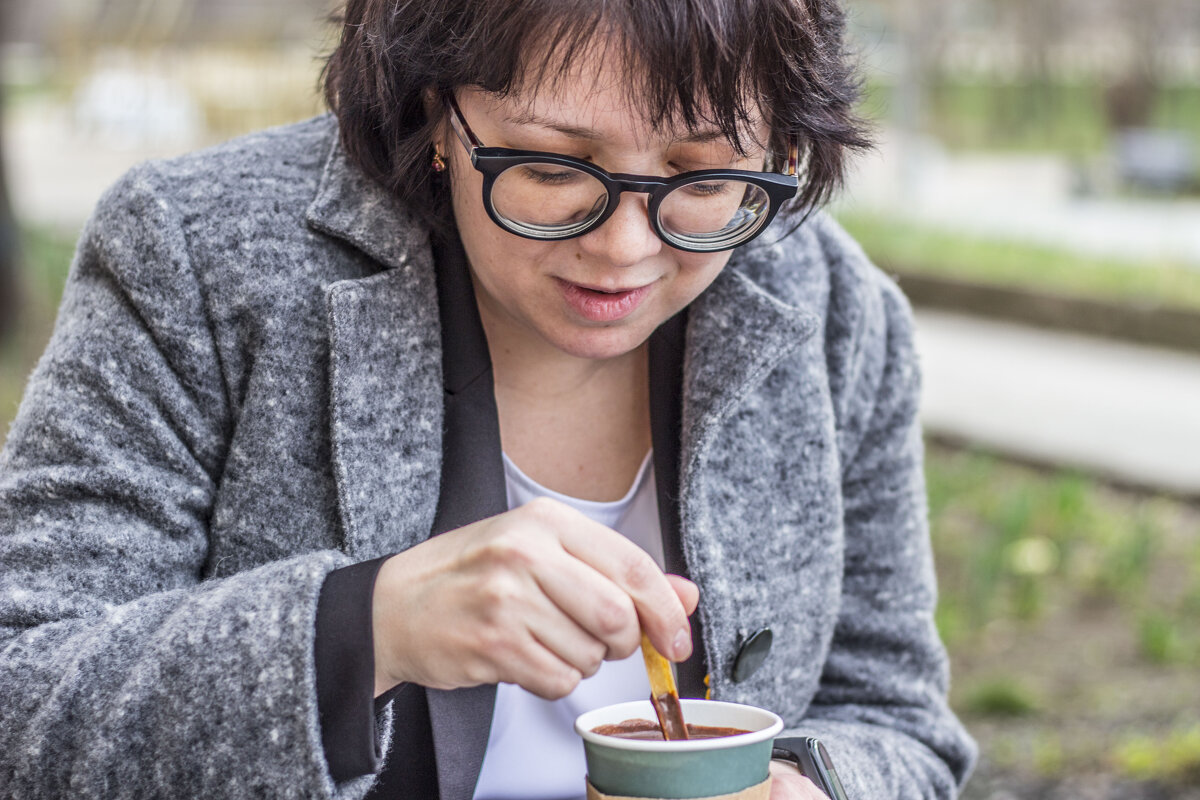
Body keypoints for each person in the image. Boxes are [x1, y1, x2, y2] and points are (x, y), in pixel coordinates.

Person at [0, 0, 977, 798]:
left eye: (699, 172)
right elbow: (24, 702)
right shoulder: (198, 257)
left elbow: (895, 722)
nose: (626, 248)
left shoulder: (838, 317)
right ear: (438, 112)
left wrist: (810, 790)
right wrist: (367, 627)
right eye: (552, 165)